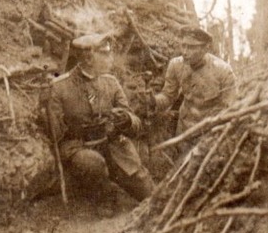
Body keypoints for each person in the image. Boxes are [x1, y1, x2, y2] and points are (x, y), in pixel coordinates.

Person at [46, 32, 154, 206]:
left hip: (111, 144)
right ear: (88, 59)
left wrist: (126, 119)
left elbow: (135, 123)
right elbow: (56, 136)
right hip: (79, 147)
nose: (111, 58)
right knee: (92, 164)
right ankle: (104, 197)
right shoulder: (60, 87)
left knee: (149, 193)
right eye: (105, 54)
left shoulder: (110, 82)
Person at [153, 25, 236, 136]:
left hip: (210, 132)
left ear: (205, 48)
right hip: (184, 130)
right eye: (183, 46)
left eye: (191, 47)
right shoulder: (176, 65)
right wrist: (153, 101)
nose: (185, 52)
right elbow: (168, 95)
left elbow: (229, 108)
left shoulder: (223, 71)